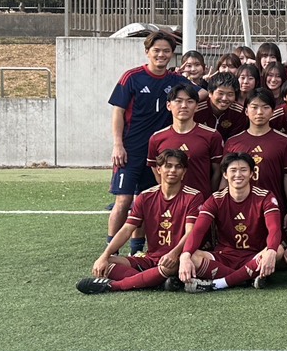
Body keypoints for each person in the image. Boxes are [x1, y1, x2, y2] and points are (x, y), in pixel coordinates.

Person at [107, 30, 191, 250]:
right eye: (157, 50)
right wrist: (118, 144)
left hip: (158, 156)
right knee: (123, 201)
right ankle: (110, 250)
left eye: (166, 51)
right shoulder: (132, 77)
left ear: (172, 54)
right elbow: (118, 112)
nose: (161, 55)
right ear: (147, 52)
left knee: (144, 201)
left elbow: (199, 94)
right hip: (130, 151)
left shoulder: (176, 81)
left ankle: (136, 251)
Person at [77, 149, 202, 294]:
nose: (173, 170)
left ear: (184, 172)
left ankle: (115, 286)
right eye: (168, 166)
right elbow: (127, 229)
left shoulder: (193, 196)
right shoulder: (145, 196)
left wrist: (174, 254)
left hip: (176, 258)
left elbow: (191, 232)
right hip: (151, 259)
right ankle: (157, 281)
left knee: (170, 266)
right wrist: (104, 256)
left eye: (178, 167)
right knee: (108, 262)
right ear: (159, 169)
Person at [178, 152, 284, 292]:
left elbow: (274, 229)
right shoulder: (216, 199)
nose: (238, 174)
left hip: (254, 255)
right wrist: (185, 255)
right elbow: (198, 231)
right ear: (225, 174)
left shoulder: (265, 197)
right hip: (224, 256)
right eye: (233, 170)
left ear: (252, 174)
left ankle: (220, 283)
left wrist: (270, 251)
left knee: (278, 249)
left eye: (243, 170)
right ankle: (246, 277)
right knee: (192, 256)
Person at [225, 88, 287, 231]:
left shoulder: (283, 141)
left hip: (273, 205)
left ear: (272, 112)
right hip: (239, 207)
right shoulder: (233, 142)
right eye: (254, 107)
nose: (259, 112)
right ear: (246, 111)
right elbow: (225, 178)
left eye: (265, 107)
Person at [145, 83, 223, 198]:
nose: (184, 106)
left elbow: (217, 171)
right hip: (171, 202)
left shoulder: (212, 135)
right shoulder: (157, 138)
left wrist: (209, 197)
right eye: (178, 101)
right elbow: (156, 169)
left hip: (202, 201)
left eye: (190, 101)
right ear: (168, 105)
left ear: (197, 106)